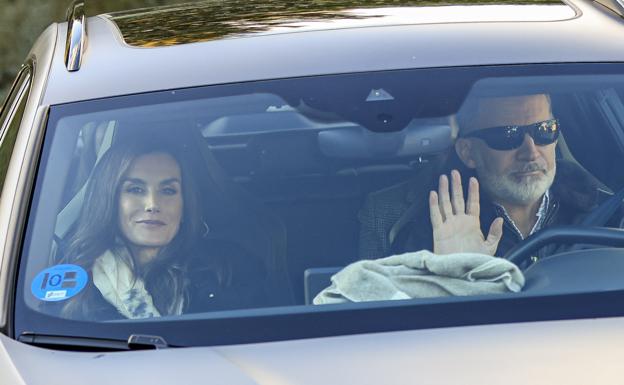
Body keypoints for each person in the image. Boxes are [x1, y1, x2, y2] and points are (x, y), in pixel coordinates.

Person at [359, 93, 609, 263]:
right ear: (468, 152)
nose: (531, 152)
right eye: (507, 136)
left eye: (544, 131)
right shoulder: (402, 223)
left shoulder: (609, 213)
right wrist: (450, 274)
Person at [55, 138, 278, 320]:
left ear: (185, 205)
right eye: (135, 189)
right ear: (109, 201)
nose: (153, 204)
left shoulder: (231, 270)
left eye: (168, 191)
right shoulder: (71, 280)